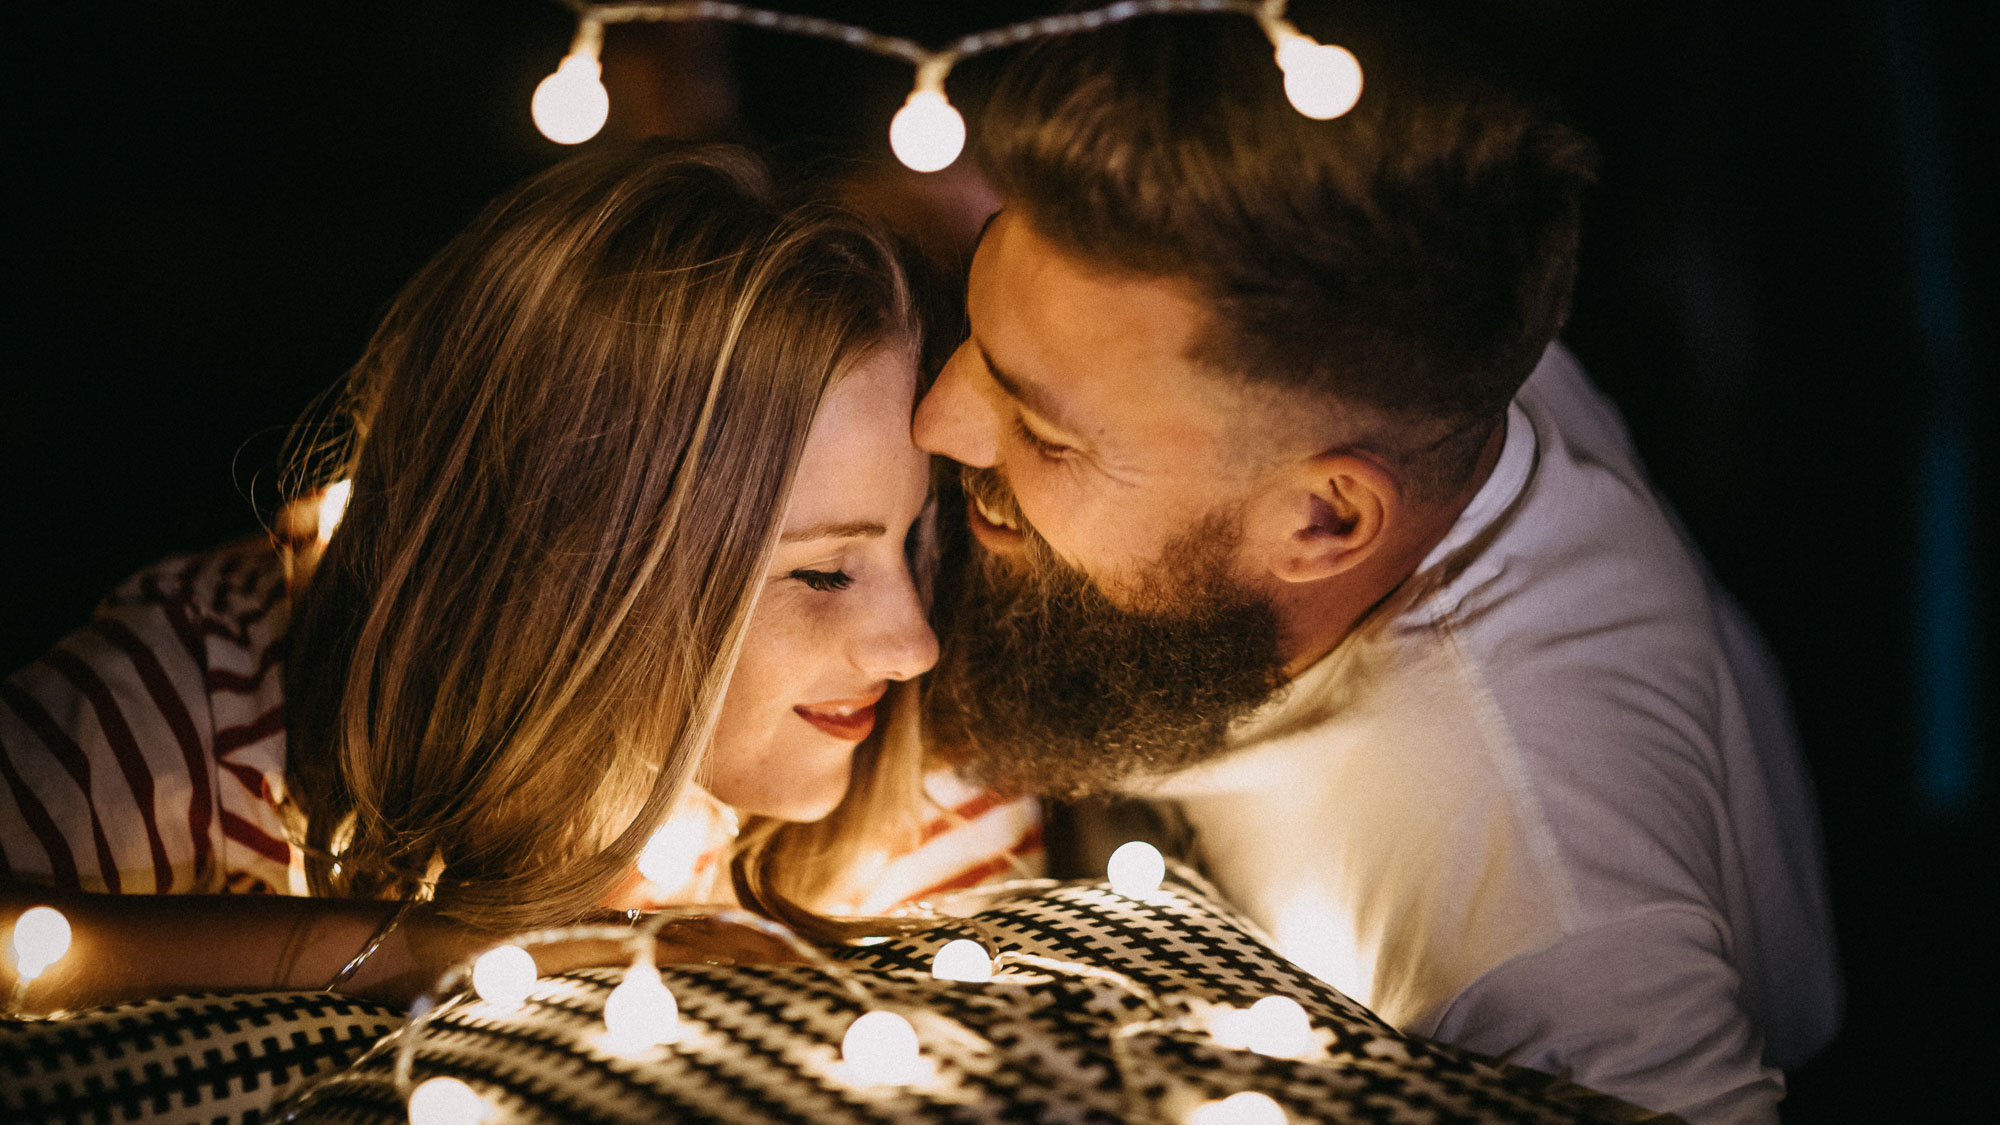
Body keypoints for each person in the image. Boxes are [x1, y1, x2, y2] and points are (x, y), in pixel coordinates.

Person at [913, 11, 1837, 1123]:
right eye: (982, 316)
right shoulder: (1399, 310)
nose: (938, 420)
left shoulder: (1539, 920)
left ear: (1321, 519)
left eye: (1045, 431)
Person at [1, 144, 1040, 1013]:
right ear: (566, 564)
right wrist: (461, 953)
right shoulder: (188, 727)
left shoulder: (933, 795)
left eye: (910, 540)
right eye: (821, 573)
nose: (913, 646)